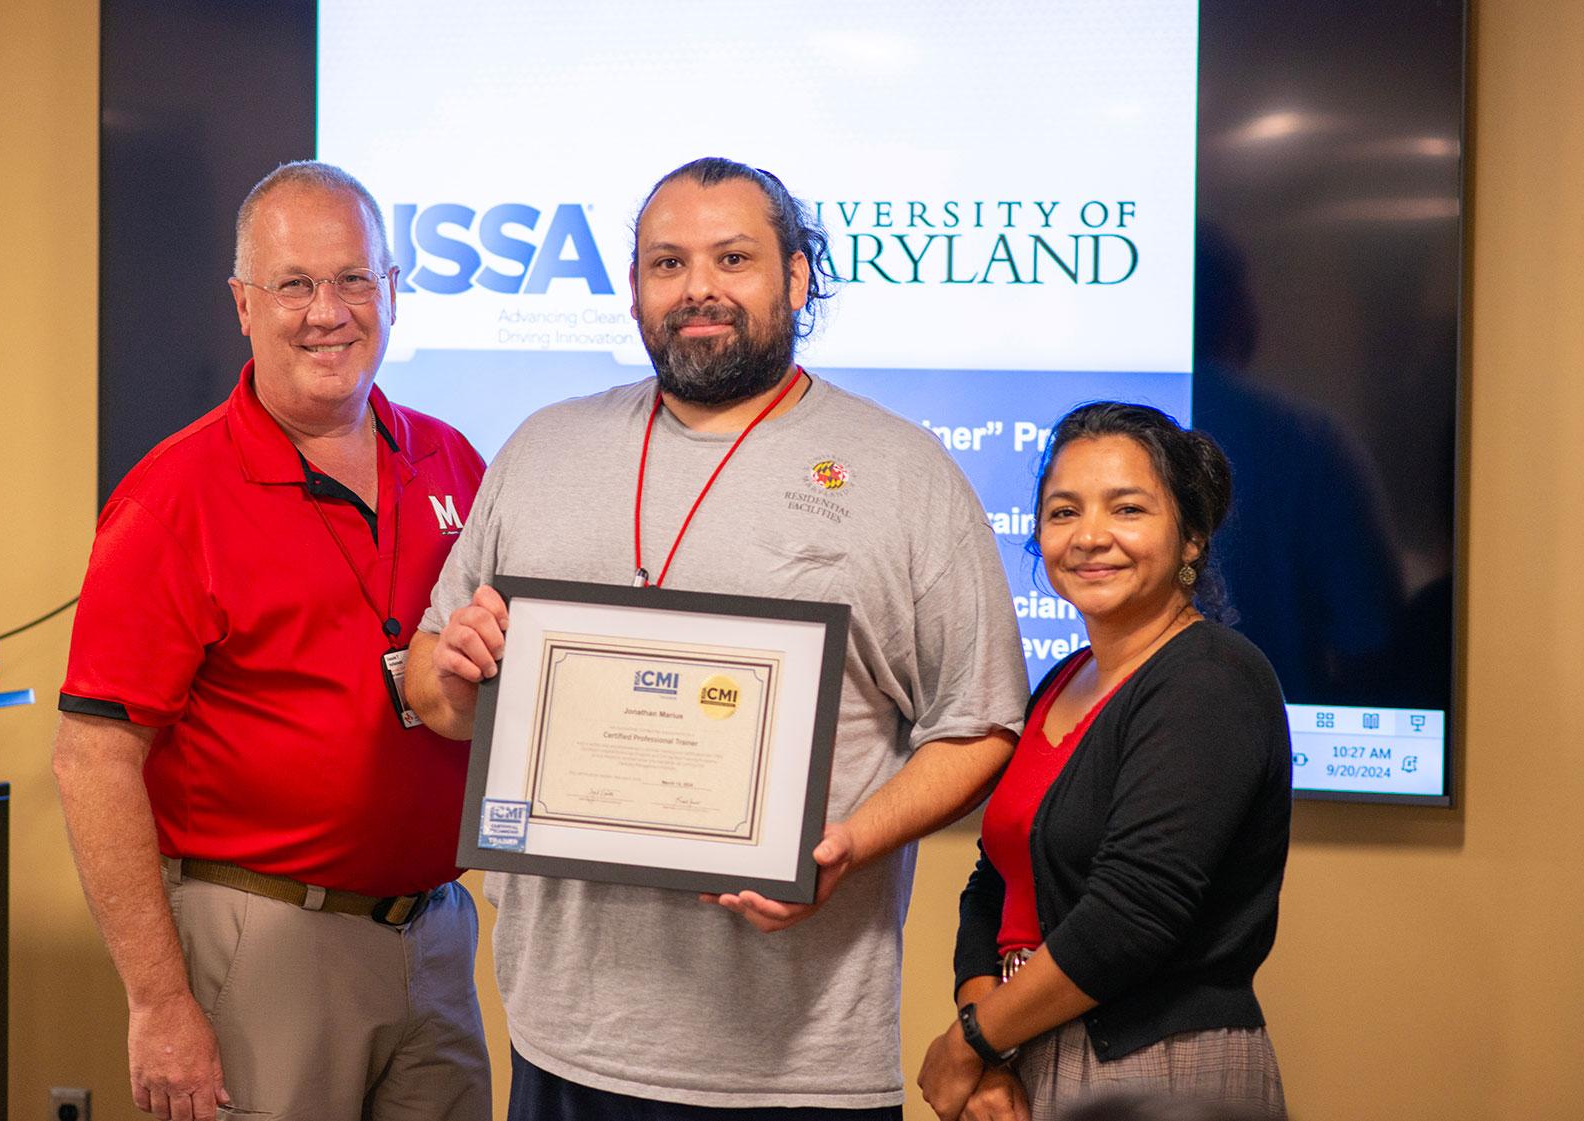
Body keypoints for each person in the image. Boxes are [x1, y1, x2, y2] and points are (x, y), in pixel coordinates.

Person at [406, 156, 1030, 1118]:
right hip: (562, 1040)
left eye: (732, 257)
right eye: (667, 263)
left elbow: (981, 723)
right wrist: (452, 670)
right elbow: (437, 694)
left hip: (797, 1061)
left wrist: (848, 846)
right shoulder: (542, 449)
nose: (698, 287)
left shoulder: (905, 474)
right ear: (633, 291)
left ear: (797, 277)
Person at [53, 162, 490, 1121]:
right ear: (242, 305)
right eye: (294, 284)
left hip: (437, 938)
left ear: (393, 291)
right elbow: (92, 758)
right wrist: (160, 1002)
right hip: (264, 942)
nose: (327, 311)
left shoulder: (455, 460)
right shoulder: (172, 497)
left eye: (353, 280)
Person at [916, 402, 1291, 1121]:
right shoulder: (1062, 678)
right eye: (1063, 512)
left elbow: (1133, 916)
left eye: (1127, 508)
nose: (1090, 537)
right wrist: (987, 1039)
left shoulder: (1209, 679)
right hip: (1028, 1043)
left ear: (1192, 536)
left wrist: (969, 1043)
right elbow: (992, 882)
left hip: (1164, 1066)